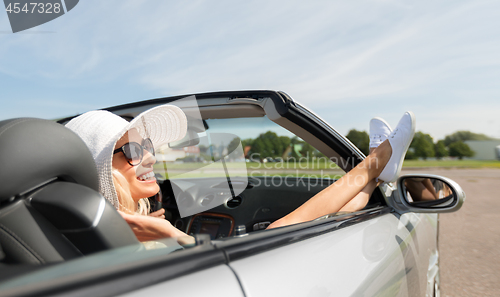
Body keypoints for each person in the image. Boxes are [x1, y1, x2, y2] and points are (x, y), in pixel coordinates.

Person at [66, 105, 415, 241]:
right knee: (280, 230)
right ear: (93, 168)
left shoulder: (113, 225)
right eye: (132, 150)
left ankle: (377, 170)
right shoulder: (108, 234)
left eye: (149, 148)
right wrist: (170, 233)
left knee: (328, 214)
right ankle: (376, 162)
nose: (150, 160)